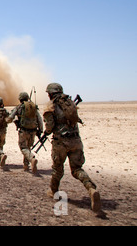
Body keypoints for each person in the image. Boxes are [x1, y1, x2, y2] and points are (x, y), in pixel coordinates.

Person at [43, 83, 101, 212]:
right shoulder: (70, 103)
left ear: (51, 93)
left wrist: (46, 132)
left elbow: (49, 127)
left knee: (57, 169)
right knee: (77, 169)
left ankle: (53, 191)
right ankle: (91, 189)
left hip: (61, 143)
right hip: (76, 141)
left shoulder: (51, 105)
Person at [6, 92, 43, 174]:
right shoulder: (33, 107)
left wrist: (5, 122)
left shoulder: (19, 107)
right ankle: (26, 165)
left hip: (24, 130)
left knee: (23, 147)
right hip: (33, 130)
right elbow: (39, 119)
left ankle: (31, 159)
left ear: (20, 99)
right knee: (28, 147)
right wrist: (40, 130)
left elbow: (10, 117)